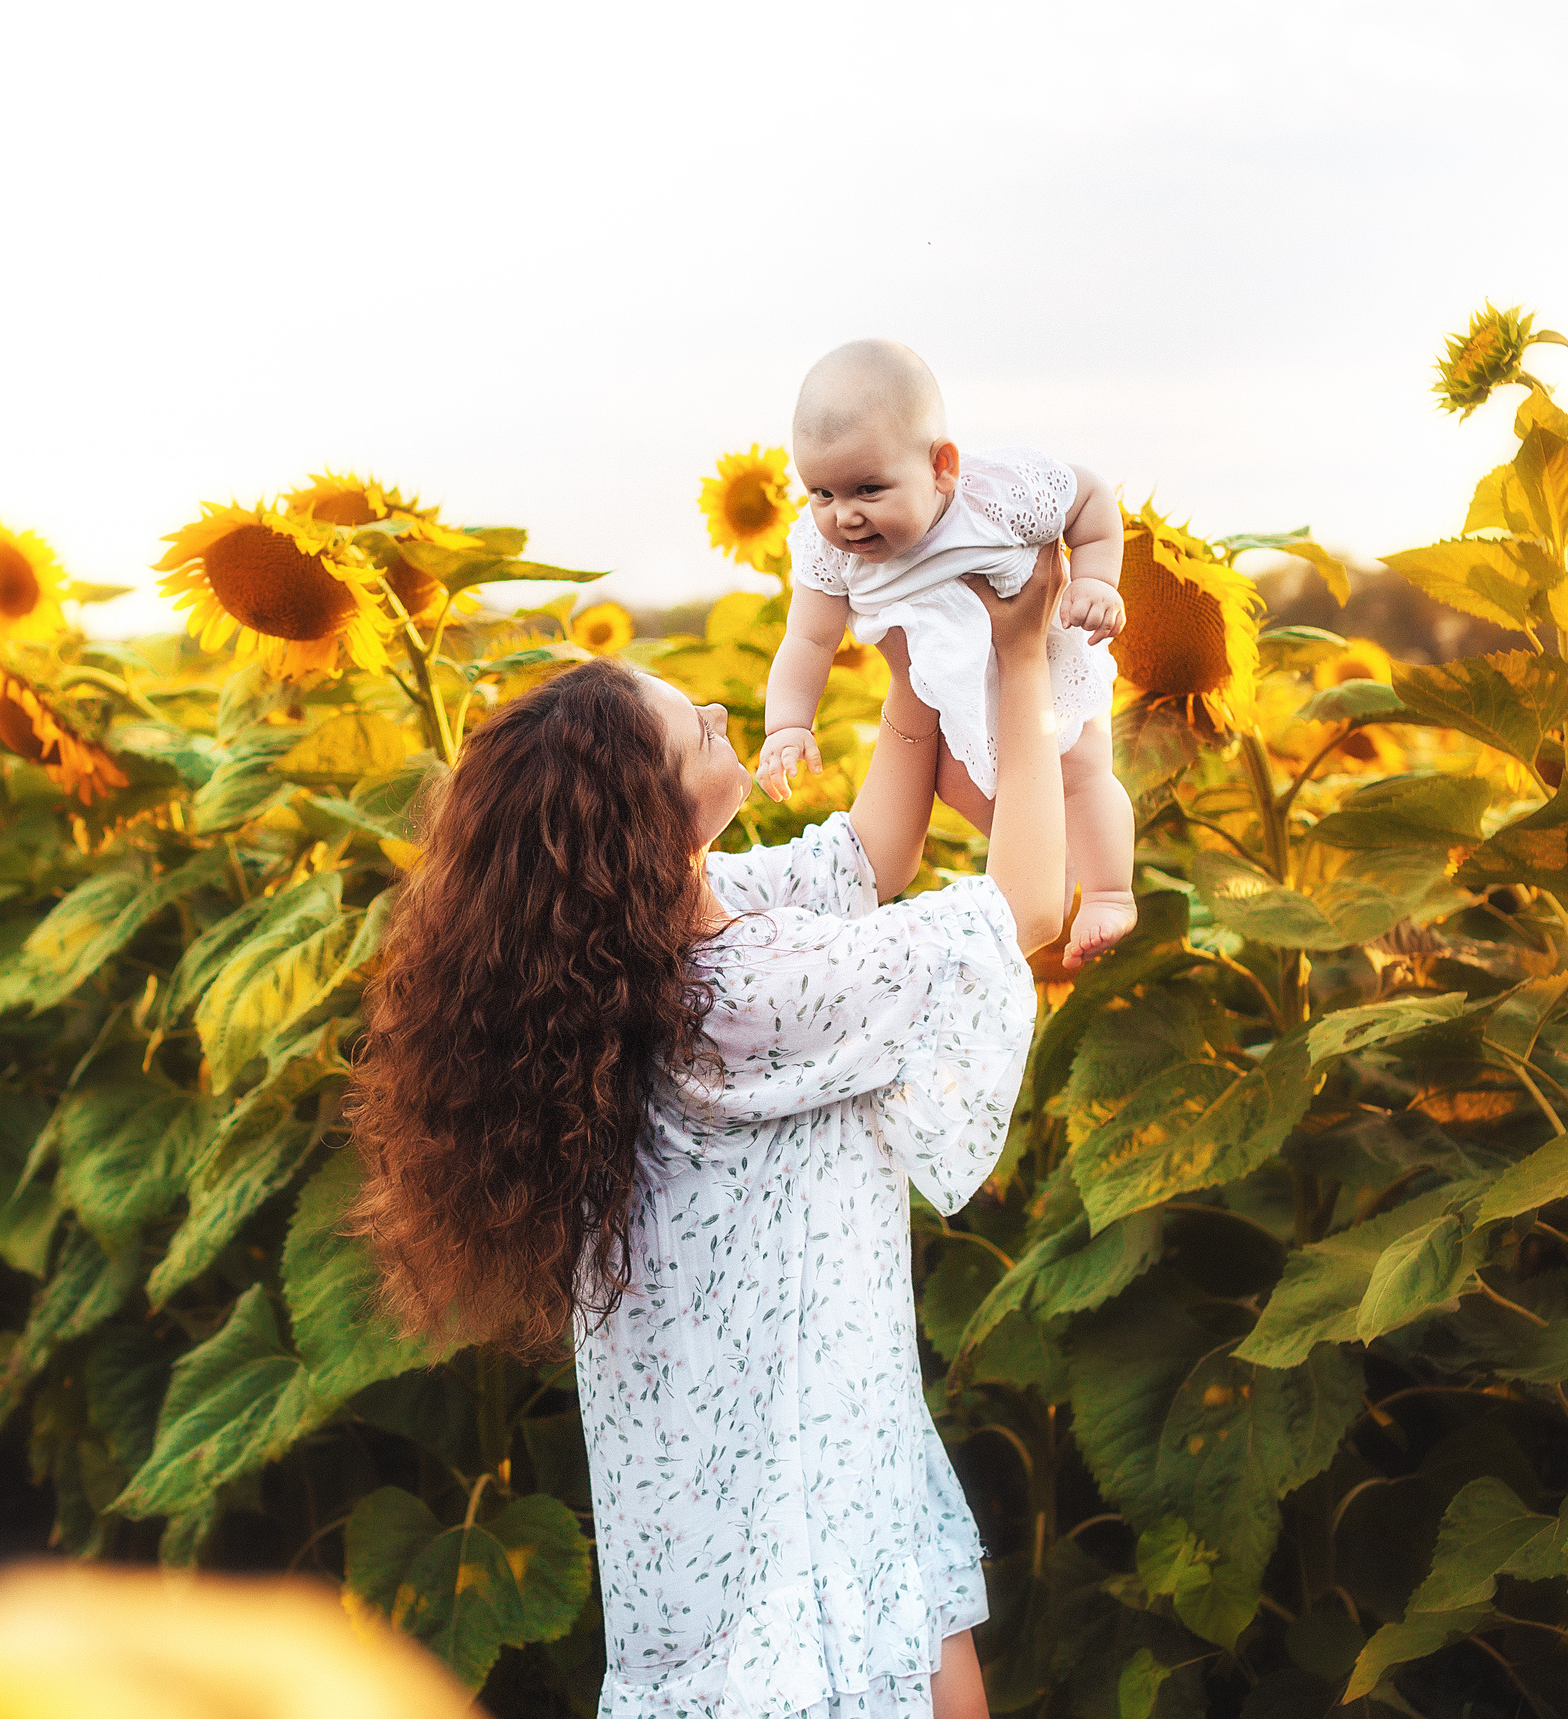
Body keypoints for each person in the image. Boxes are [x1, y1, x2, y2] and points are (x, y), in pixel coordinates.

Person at [344, 559, 1066, 1719]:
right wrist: (1022, 659)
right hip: (788, 1467)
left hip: (746, 1448)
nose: (725, 713)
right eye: (697, 727)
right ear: (653, 816)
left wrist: (909, 678)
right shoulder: (742, 986)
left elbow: (870, 861)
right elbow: (1025, 911)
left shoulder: (638, 944)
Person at [757, 338, 1136, 970]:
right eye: (821, 493)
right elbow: (809, 638)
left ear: (942, 467)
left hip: (1042, 665)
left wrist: (1096, 579)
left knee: (1082, 772)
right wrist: (788, 723)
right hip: (945, 697)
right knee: (959, 785)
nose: (843, 516)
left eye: (868, 489)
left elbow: (1091, 499)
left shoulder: (1000, 495)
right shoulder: (828, 552)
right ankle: (1051, 861)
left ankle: (1107, 891)